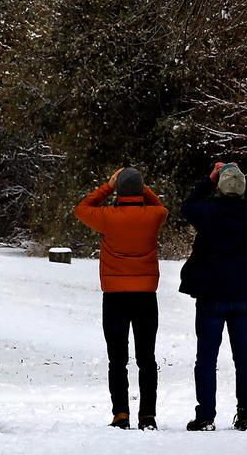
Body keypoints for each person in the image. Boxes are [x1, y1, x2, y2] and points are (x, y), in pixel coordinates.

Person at [74, 167, 168, 430]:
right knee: (146, 359)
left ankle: (121, 414)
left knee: (117, 360)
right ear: (140, 190)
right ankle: (147, 415)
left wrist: (108, 186)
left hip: (114, 295)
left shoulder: (107, 217)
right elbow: (160, 206)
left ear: (118, 190)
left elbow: (82, 208)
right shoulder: (153, 216)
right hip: (146, 295)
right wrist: (142, 188)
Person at [180, 162, 247, 432]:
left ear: (218, 187)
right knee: (244, 357)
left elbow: (188, 205)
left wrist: (211, 179)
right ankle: (246, 416)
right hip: (243, 293)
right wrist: (239, 176)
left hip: (211, 293)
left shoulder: (207, 213)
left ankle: (205, 416)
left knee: (206, 358)